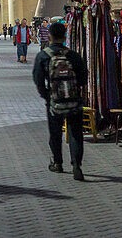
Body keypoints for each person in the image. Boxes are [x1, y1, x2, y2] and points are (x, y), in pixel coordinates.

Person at [33, 21, 88, 181]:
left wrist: (47, 96)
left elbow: (38, 79)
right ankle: (76, 165)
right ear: (65, 37)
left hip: (54, 102)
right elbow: (83, 77)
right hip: (74, 102)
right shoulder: (72, 55)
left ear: (49, 36)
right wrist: (74, 91)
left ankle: (57, 163)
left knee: (55, 133)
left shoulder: (43, 55)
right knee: (75, 133)